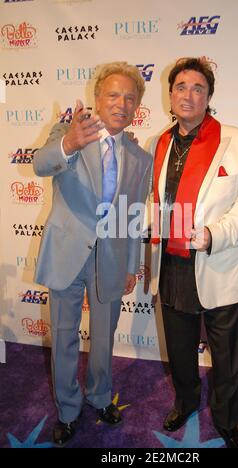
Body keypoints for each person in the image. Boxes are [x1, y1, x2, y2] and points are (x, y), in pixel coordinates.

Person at [33, 62, 152, 446]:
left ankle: (100, 397)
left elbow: (134, 215)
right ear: (98, 99)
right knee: (64, 336)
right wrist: (68, 143)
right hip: (68, 252)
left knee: (103, 337)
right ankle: (68, 410)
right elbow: (40, 163)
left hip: (113, 258)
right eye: (114, 95)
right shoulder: (68, 132)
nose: (122, 103)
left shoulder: (140, 158)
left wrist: (133, 264)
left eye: (130, 98)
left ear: (137, 107)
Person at [150, 57, 238, 448]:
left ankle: (229, 421)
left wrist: (214, 234)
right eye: (181, 86)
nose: (188, 94)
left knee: (226, 354)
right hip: (172, 264)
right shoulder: (160, 143)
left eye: (198, 88)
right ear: (170, 94)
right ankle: (185, 401)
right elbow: (157, 200)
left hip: (219, 261)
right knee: (180, 348)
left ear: (209, 96)